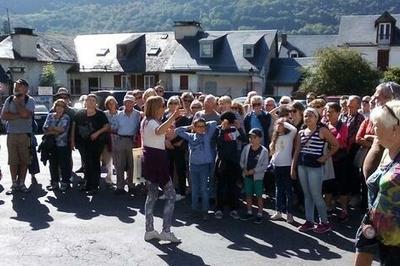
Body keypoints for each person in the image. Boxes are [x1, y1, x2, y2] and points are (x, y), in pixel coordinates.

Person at [354, 100, 400, 266]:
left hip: (395, 241)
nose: (373, 130)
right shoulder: (387, 151)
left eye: (377, 125)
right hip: (375, 230)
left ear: (394, 128)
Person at [292, 108, 339, 233]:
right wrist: (293, 168)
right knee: (307, 195)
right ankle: (309, 221)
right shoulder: (301, 132)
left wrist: (325, 157)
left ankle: (324, 222)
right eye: (306, 115)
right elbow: (297, 151)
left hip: (315, 167)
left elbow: (336, 145)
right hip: (302, 166)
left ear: (317, 117)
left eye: (310, 115)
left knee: (316, 195)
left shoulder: (322, 130)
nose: (307, 118)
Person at [142, 95, 181, 243]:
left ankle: (150, 230)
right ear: (156, 107)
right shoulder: (151, 121)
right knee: (171, 195)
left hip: (152, 159)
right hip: (157, 160)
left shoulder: (149, 121)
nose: (164, 108)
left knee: (152, 196)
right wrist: (173, 117)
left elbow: (160, 134)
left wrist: (170, 129)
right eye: (162, 106)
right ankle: (165, 231)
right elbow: (158, 131)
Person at [176, 117, 217, 220]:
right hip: (193, 165)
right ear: (194, 127)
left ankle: (205, 210)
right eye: (198, 127)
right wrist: (190, 126)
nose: (200, 128)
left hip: (204, 166)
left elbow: (214, 122)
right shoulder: (191, 136)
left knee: (204, 189)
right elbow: (178, 131)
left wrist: (205, 123)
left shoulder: (207, 135)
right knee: (194, 189)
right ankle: (194, 209)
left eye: (202, 126)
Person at [1, 79, 35, 194]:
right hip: (11, 134)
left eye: (18, 86)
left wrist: (18, 103)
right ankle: (14, 184)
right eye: (15, 86)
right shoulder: (9, 99)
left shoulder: (30, 100)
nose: (16, 88)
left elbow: (26, 114)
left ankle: (22, 183)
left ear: (25, 88)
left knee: (24, 160)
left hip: (25, 134)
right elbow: (3, 116)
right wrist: (19, 115)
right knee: (13, 161)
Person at [71, 94, 110, 194]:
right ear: (85, 101)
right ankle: (87, 184)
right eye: (89, 100)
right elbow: (74, 127)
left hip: (96, 143)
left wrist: (97, 133)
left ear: (96, 103)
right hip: (82, 142)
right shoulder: (79, 113)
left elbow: (107, 126)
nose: (90, 102)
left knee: (95, 163)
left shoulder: (100, 114)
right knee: (86, 163)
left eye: (93, 100)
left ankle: (94, 186)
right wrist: (72, 141)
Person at [214, 111, 246, 220]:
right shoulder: (218, 129)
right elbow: (218, 142)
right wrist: (222, 130)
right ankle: (219, 208)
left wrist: (239, 128)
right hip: (221, 162)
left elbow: (245, 140)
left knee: (233, 186)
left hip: (233, 162)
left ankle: (233, 209)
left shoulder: (235, 130)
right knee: (220, 186)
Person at [111, 94, 141, 195]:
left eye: (131, 102)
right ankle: (120, 186)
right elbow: (113, 128)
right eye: (127, 102)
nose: (129, 104)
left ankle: (131, 185)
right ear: (124, 103)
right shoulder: (118, 114)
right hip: (121, 139)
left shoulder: (138, 114)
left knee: (132, 165)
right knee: (119, 165)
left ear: (134, 103)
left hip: (133, 141)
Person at [269, 118, 297, 223]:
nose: (278, 126)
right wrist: (272, 162)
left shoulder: (289, 136)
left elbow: (294, 129)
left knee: (288, 190)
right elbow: (274, 152)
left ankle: (289, 214)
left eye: (281, 125)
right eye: (277, 124)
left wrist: (284, 122)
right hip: (277, 166)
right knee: (278, 189)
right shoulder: (275, 137)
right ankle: (278, 211)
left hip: (287, 166)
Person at [325, 102, 349, 220]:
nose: (328, 113)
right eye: (327, 111)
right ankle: (328, 207)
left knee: (342, 184)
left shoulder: (343, 126)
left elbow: (339, 142)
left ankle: (344, 210)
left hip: (340, 159)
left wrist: (328, 141)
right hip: (328, 160)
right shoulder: (324, 125)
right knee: (328, 184)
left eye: (331, 111)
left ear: (338, 112)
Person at [163, 96, 191, 201]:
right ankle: (168, 192)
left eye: (175, 103)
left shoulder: (184, 118)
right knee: (167, 170)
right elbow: (162, 130)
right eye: (171, 103)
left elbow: (184, 133)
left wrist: (173, 142)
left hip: (178, 147)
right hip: (167, 147)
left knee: (180, 170)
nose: (173, 105)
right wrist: (166, 141)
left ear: (179, 105)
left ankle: (182, 192)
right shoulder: (165, 117)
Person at [240, 128, 269, 224]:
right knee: (248, 194)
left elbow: (265, 165)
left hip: (258, 177)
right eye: (250, 137)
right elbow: (242, 160)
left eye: (254, 137)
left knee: (259, 196)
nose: (251, 139)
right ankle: (249, 211)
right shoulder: (246, 148)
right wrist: (244, 168)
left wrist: (254, 171)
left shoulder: (264, 151)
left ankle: (260, 213)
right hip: (247, 175)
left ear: (260, 138)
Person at [42, 99, 71, 191]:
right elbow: (45, 128)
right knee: (53, 164)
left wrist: (52, 129)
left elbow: (62, 129)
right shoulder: (50, 115)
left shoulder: (66, 117)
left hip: (62, 144)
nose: (60, 108)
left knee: (64, 164)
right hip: (51, 144)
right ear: (55, 107)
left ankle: (65, 183)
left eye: (62, 106)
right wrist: (54, 130)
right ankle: (54, 183)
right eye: (58, 105)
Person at [102, 96, 119, 188]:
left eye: (113, 102)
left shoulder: (120, 114)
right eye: (109, 103)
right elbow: (103, 127)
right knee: (108, 161)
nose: (111, 104)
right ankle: (108, 180)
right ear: (106, 104)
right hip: (107, 140)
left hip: (118, 139)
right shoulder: (104, 114)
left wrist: (111, 129)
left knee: (118, 161)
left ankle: (120, 180)